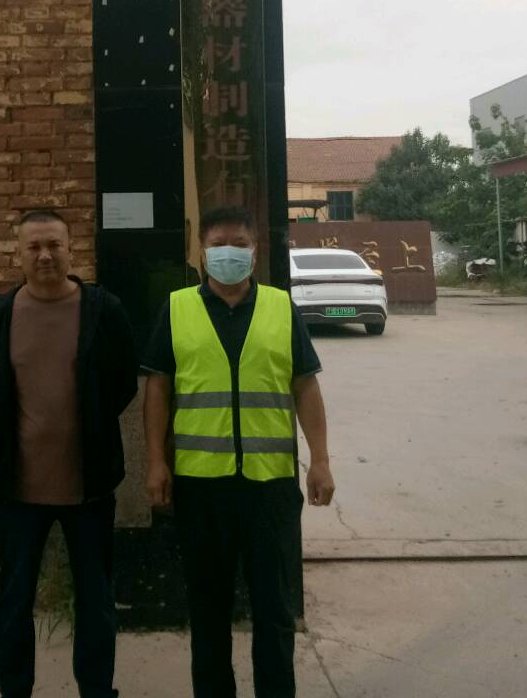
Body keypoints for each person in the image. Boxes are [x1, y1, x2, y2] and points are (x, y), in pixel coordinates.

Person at [144, 204, 335, 698]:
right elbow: (158, 388)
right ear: (201, 252)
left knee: (275, 610)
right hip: (200, 487)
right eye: (218, 245)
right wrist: (156, 461)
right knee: (208, 612)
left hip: (269, 487)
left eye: (239, 244)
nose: (228, 253)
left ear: (256, 251)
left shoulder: (280, 307)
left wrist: (321, 460)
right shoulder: (176, 308)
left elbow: (305, 385)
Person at [0, 209, 138, 698]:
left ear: (71, 249)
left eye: (54, 245)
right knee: (14, 599)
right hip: (18, 487)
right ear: (18, 254)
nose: (45, 255)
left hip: (89, 484)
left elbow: (123, 382)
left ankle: (97, 690)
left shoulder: (103, 310)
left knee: (95, 599)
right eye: (34, 247)